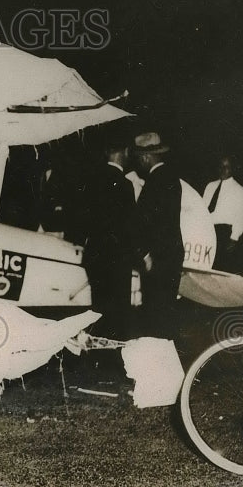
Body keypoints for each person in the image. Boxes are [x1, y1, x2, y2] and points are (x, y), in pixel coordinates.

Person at [131, 132, 184, 342]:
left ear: (146, 158)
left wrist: (145, 255)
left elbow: (143, 224)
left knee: (154, 315)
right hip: (172, 255)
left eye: (139, 159)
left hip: (158, 258)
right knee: (166, 312)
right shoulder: (173, 179)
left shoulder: (154, 183)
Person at [82, 139, 135, 340]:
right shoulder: (126, 185)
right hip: (117, 258)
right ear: (124, 152)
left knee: (99, 305)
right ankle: (109, 356)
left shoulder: (92, 178)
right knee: (118, 310)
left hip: (95, 254)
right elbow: (129, 226)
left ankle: (94, 351)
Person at [202, 155, 243, 273]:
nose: (223, 169)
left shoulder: (239, 189)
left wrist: (234, 237)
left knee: (220, 269)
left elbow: (241, 216)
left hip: (224, 233)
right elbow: (202, 209)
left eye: (227, 167)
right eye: (221, 166)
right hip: (207, 231)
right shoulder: (210, 186)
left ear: (232, 168)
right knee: (206, 268)